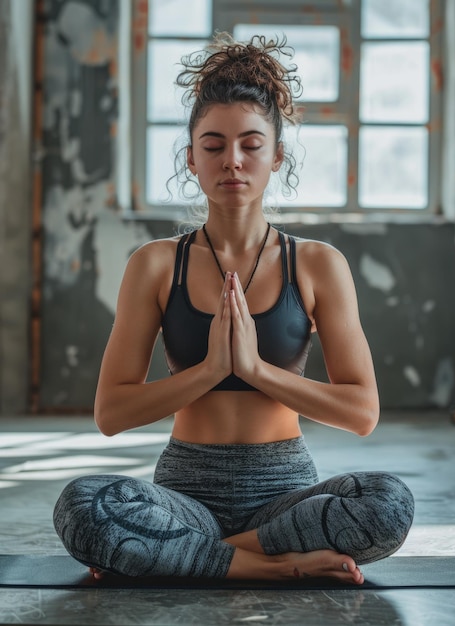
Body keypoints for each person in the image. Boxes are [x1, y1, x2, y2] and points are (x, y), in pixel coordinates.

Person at [53, 33, 414, 584]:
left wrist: (254, 371)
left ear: (277, 156)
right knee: (83, 504)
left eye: (251, 144)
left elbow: (362, 413)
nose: (233, 161)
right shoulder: (155, 265)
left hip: (285, 496)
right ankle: (275, 569)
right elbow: (111, 413)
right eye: (213, 145)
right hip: (184, 492)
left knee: (389, 502)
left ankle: (193, 556)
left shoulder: (317, 264)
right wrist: (211, 372)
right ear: (192, 157)